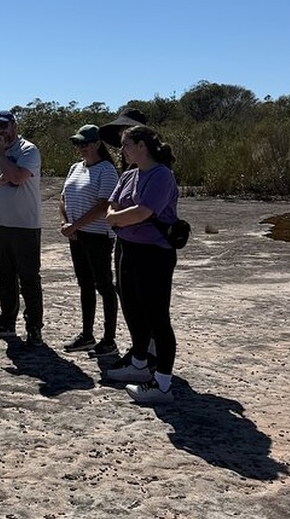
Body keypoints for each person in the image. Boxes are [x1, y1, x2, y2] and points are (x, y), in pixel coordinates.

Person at [104, 125, 180, 404]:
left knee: (157, 316)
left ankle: (162, 384)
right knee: (132, 307)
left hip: (154, 254)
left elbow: (142, 212)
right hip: (129, 248)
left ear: (141, 146)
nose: (121, 150)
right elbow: (111, 207)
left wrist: (116, 218)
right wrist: (118, 217)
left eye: (126, 144)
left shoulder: (162, 176)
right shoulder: (129, 175)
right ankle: (138, 364)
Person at [0, 110, 45, 345]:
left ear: (14, 125)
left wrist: (1, 154)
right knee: (4, 278)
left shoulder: (28, 150)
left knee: (29, 279)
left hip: (25, 226)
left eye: (3, 125)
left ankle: (34, 327)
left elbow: (16, 177)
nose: (0, 131)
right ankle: (6, 322)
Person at [59, 125, 120, 356]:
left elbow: (103, 205)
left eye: (85, 143)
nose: (82, 147)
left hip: (97, 236)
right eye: (79, 143)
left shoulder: (106, 170)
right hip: (76, 235)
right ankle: (87, 334)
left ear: (97, 144)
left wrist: (75, 225)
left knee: (104, 285)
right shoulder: (75, 168)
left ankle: (109, 338)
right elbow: (63, 198)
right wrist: (66, 224)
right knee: (84, 284)